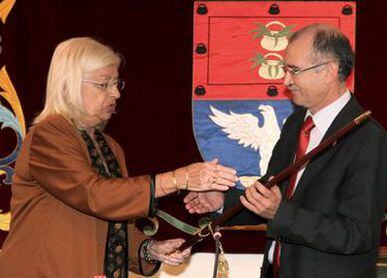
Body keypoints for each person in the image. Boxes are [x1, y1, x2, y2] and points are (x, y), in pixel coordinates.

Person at [0, 37, 238, 278]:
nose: (115, 93)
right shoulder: (48, 135)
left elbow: (116, 221)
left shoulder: (110, 147)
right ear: (68, 85)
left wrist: (149, 249)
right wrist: (179, 179)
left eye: (116, 84)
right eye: (103, 84)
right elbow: (94, 195)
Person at [184, 24, 387, 278]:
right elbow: (272, 190)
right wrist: (222, 201)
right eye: (286, 70)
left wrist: (279, 212)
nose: (285, 81)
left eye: (293, 70)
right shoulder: (297, 123)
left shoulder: (369, 139)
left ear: (329, 71)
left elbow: (356, 234)